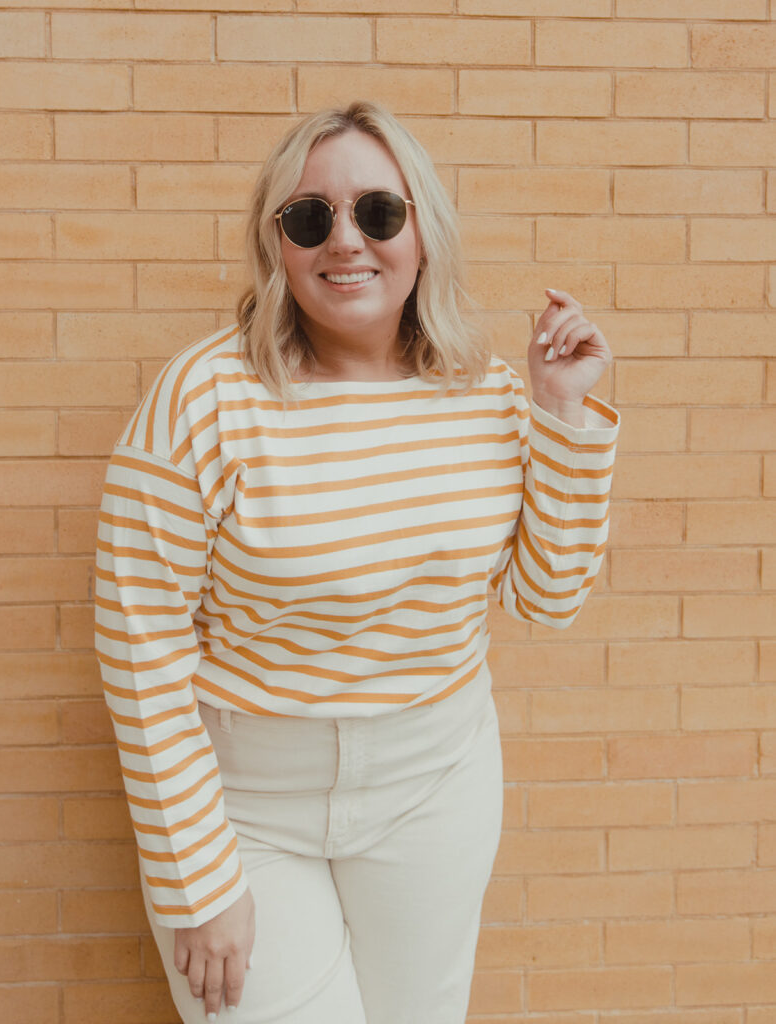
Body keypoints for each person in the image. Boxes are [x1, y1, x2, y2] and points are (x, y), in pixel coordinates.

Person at [94, 100, 619, 1024]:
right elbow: (141, 651)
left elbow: (547, 597)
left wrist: (561, 418)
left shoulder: (490, 395)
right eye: (309, 217)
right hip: (248, 802)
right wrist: (197, 878)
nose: (346, 242)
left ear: (423, 230)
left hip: (435, 785)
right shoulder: (201, 400)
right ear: (278, 242)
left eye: (378, 212)